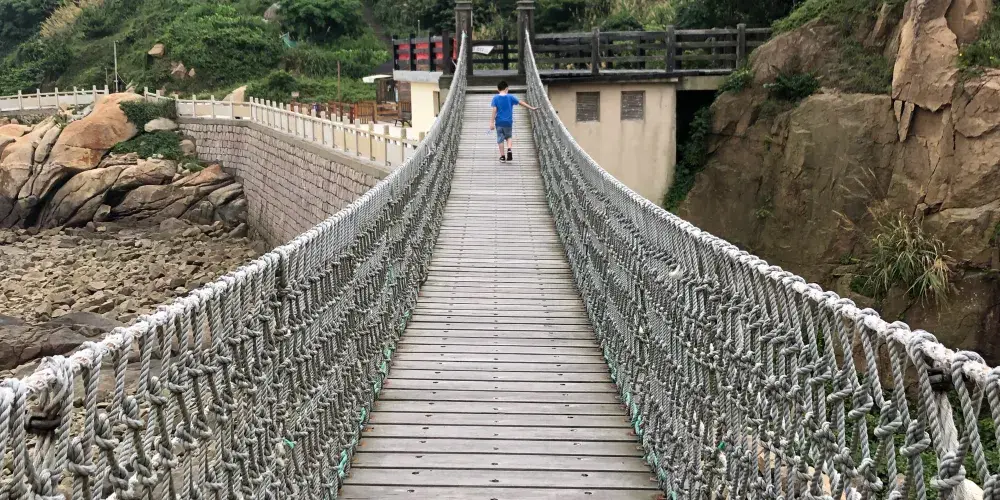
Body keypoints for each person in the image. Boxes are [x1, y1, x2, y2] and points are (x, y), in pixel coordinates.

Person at [489, 81, 537, 163]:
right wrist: (531, 108)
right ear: (506, 89)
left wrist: (491, 122)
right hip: (508, 122)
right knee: (509, 136)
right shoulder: (510, 97)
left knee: (500, 139)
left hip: (499, 122)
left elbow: (494, 110)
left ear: (498, 89)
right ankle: (509, 149)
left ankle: (502, 157)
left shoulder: (495, 98)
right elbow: (521, 102)